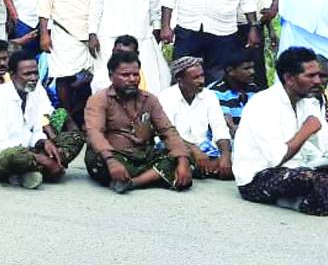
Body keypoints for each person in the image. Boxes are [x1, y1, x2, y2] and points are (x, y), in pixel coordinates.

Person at [234, 47, 328, 215]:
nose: (317, 81)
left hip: (299, 168)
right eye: (310, 76)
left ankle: (317, 198)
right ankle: (322, 201)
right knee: (308, 178)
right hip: (258, 178)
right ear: (289, 79)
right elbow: (275, 159)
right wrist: (306, 130)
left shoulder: (307, 102)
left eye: (320, 75)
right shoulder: (263, 104)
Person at [82, 51, 193, 193]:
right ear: (111, 76)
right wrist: (111, 161)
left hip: (142, 155)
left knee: (185, 158)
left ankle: (133, 183)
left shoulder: (150, 99)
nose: (132, 79)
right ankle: (156, 176)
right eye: (125, 75)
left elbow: (167, 131)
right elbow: (94, 132)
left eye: (135, 74)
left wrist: (183, 161)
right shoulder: (99, 99)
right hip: (113, 155)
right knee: (97, 160)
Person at [0, 50, 84, 188]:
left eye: (35, 73)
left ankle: (28, 172)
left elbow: (35, 130)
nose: (34, 78)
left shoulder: (34, 92)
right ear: (12, 75)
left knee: (75, 138)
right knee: (16, 156)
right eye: (27, 74)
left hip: (26, 150)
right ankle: (39, 169)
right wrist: (42, 159)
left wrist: (43, 142)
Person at [38, 0, 99, 129]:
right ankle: (69, 119)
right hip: (65, 29)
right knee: (64, 77)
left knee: (92, 77)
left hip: (92, 30)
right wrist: (44, 34)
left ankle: (86, 118)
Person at [157, 56, 234, 180]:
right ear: (179, 79)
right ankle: (204, 168)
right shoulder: (166, 97)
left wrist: (225, 157)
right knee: (168, 156)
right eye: (195, 77)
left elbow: (219, 128)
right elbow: (168, 134)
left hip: (204, 147)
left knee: (238, 157)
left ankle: (205, 168)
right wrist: (194, 150)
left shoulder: (209, 95)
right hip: (176, 146)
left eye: (202, 76)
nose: (201, 81)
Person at [208, 59, 258, 136]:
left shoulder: (253, 88)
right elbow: (227, 127)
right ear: (230, 71)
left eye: (252, 67)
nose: (252, 72)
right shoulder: (216, 91)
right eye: (246, 68)